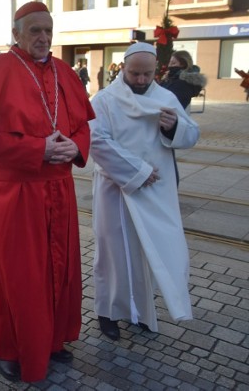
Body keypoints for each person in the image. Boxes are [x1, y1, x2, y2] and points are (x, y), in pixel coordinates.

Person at [0, 1, 95, 383]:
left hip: (60, 187)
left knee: (60, 267)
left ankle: (53, 340)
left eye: (48, 31)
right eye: (35, 31)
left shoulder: (63, 72)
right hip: (18, 189)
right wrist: (38, 150)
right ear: (16, 34)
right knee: (19, 273)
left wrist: (75, 147)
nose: (43, 38)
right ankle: (11, 348)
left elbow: (85, 126)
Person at [90, 42, 200, 342]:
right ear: (123, 68)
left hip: (154, 192)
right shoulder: (104, 100)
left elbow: (191, 134)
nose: (140, 80)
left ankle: (138, 311)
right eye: (134, 73)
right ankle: (108, 313)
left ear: (156, 71)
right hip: (116, 189)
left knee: (143, 254)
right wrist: (136, 171)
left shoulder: (166, 97)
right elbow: (96, 141)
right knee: (112, 255)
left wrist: (173, 127)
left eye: (147, 74)